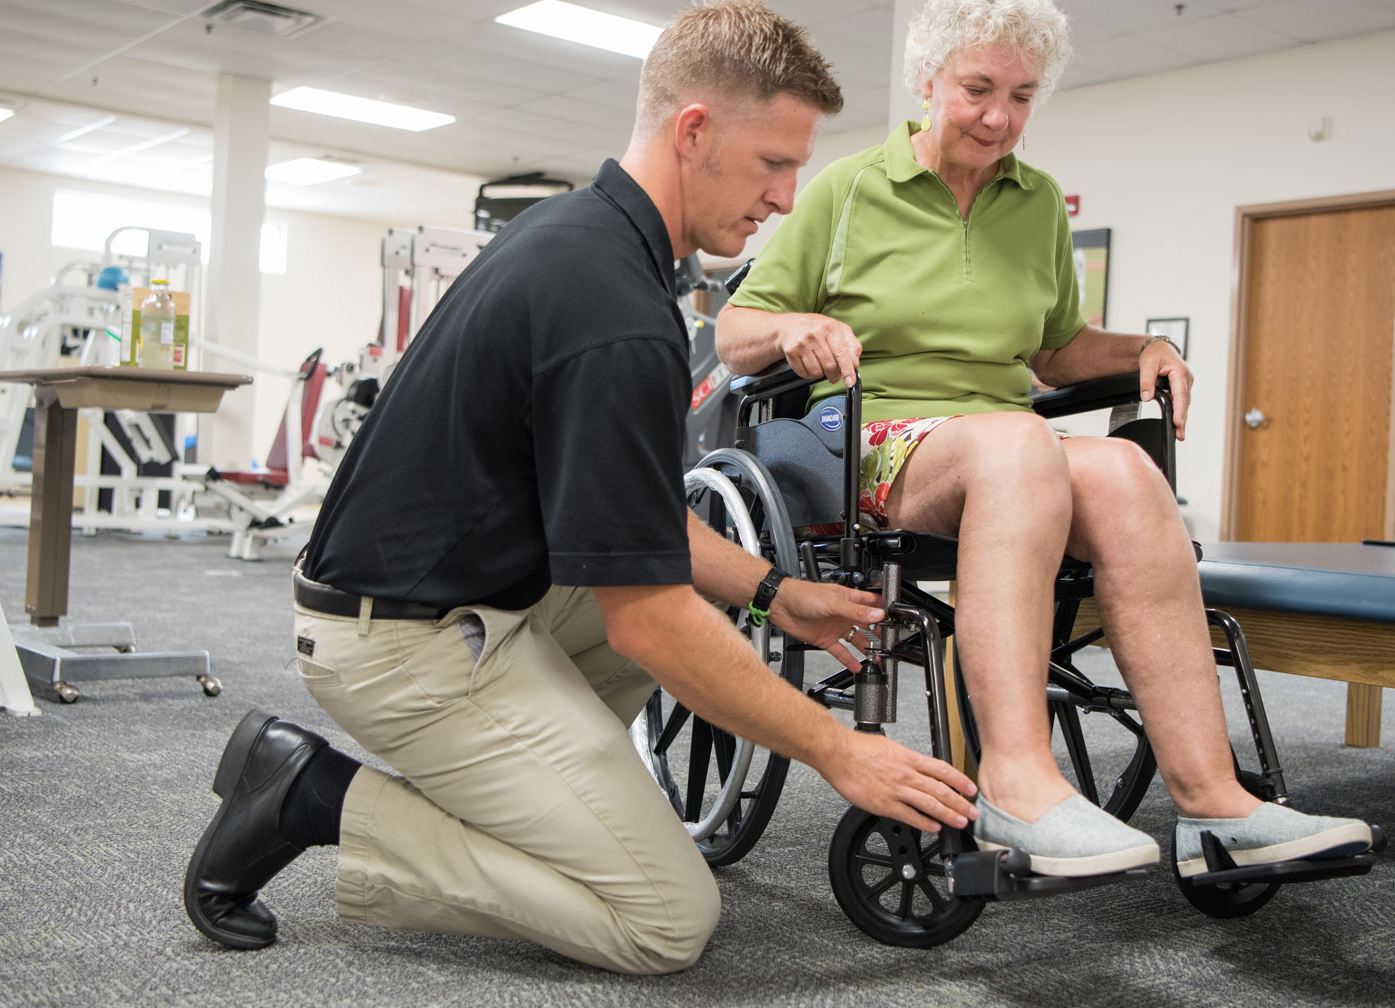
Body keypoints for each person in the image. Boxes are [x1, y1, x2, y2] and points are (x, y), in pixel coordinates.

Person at [181, 1, 977, 976]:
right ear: (694, 132)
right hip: (396, 645)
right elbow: (645, 620)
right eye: (774, 162)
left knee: (693, 614)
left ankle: (539, 803)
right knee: (665, 921)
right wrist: (837, 749)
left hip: (462, 598)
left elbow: (636, 526)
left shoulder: (593, 243)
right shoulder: (613, 308)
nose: (786, 197)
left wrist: (775, 592)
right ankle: (312, 795)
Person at [717, 0, 1371, 879]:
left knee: (1127, 474)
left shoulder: (1036, 206)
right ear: (927, 82)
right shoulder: (848, 189)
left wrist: (1145, 348)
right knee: (1018, 445)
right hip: (868, 439)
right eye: (978, 88)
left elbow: (1057, 349)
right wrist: (794, 325)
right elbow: (735, 331)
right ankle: (1018, 784)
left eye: (1022, 95)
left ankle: (1215, 802)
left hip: (998, 447)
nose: (999, 116)